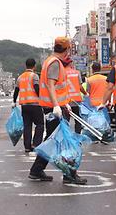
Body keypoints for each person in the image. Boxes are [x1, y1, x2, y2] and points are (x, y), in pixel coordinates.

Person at [28, 36, 87, 185]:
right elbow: (51, 85)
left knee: (53, 139)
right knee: (64, 141)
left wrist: (64, 103)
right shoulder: (55, 63)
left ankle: (36, 170)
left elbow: (56, 87)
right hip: (54, 108)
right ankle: (69, 174)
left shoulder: (50, 61)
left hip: (55, 107)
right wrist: (56, 105)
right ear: (67, 50)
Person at [13, 58, 44, 153]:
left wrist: (14, 101)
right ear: (34, 66)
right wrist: (42, 98)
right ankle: (36, 144)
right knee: (40, 124)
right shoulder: (34, 76)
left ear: (25, 65)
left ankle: (27, 147)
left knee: (27, 126)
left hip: (24, 105)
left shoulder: (20, 77)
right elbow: (36, 88)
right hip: (35, 104)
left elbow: (16, 90)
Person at [64, 58, 86, 134]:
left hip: (66, 101)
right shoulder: (77, 73)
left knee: (66, 120)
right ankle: (77, 136)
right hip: (76, 101)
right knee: (78, 120)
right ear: (70, 63)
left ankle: (67, 137)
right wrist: (85, 93)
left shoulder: (61, 73)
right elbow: (80, 87)